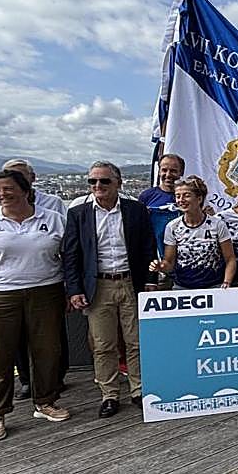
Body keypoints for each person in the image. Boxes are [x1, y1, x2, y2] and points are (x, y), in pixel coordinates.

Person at [0, 169, 69, 442]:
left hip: (46, 291)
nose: (1, 194)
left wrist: (70, 290)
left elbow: (68, 257)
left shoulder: (53, 219)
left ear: (25, 190)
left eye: (7, 188)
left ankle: (45, 402)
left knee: (48, 351)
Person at [61, 161, 157, 418]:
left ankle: (139, 390)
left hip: (131, 283)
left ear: (118, 183)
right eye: (92, 181)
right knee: (104, 345)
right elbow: (70, 255)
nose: (97, 186)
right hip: (98, 286)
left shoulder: (136, 210)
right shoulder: (78, 214)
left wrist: (150, 279)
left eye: (104, 181)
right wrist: (74, 289)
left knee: (136, 341)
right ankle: (110, 394)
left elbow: (149, 247)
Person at [149, 176, 236, 289]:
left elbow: (230, 259)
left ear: (199, 199)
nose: (181, 200)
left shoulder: (217, 224)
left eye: (187, 195)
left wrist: (227, 283)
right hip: (183, 287)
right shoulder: (172, 227)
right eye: (178, 196)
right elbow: (169, 263)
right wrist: (160, 266)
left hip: (214, 286)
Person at [0, 159, 66, 216]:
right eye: (9, 176)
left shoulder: (53, 203)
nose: (14, 180)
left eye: (19, 176)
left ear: (33, 177)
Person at [138, 152, 184, 254]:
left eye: (173, 171)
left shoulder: (189, 197)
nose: (168, 175)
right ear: (159, 172)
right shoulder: (146, 196)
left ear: (181, 172)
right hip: (156, 256)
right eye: (164, 170)